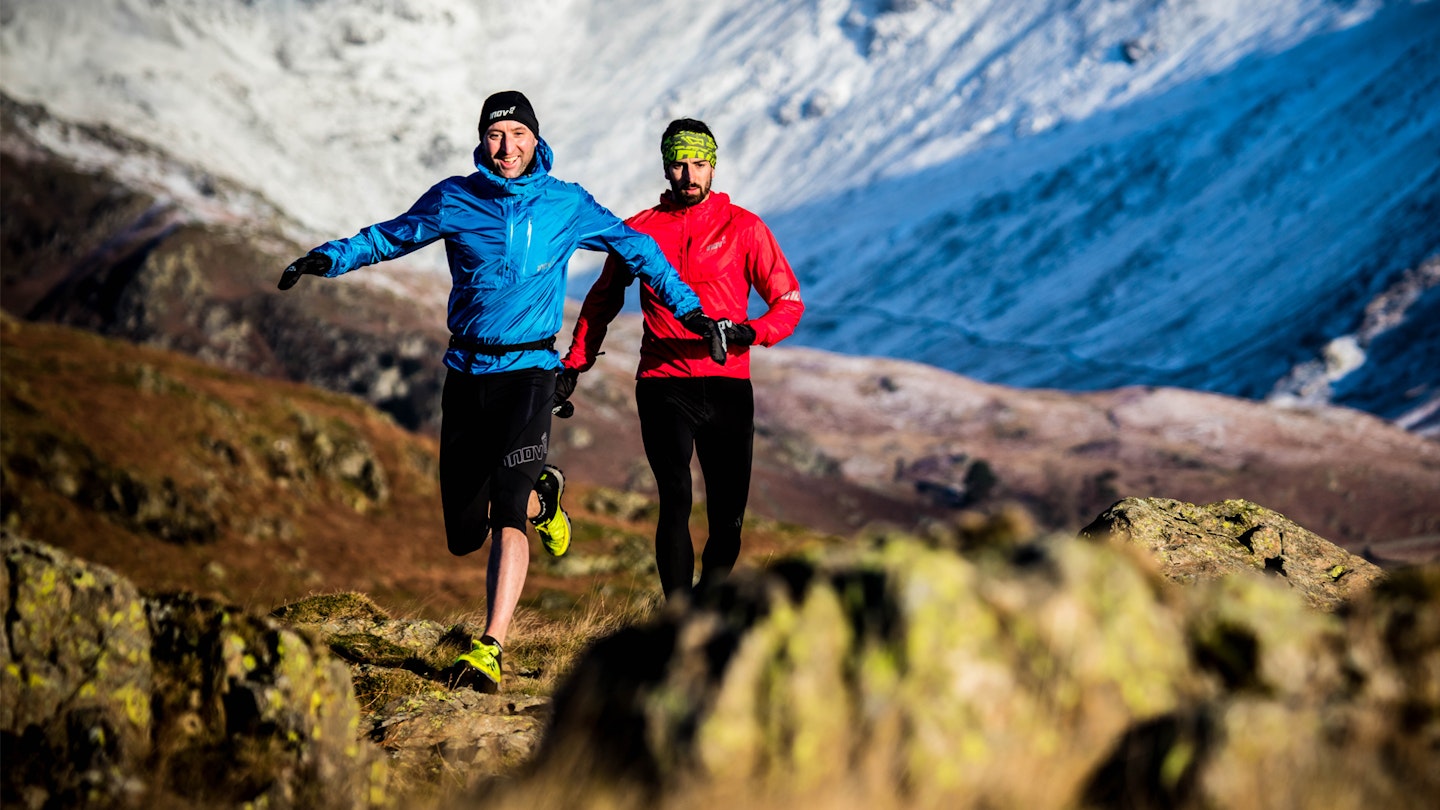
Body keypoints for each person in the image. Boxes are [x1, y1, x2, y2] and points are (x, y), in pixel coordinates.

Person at [277, 92, 721, 687]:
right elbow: (390, 236)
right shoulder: (455, 198)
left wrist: (690, 311)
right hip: (466, 374)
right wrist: (326, 259)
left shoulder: (566, 203)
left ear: (536, 139)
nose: (507, 147)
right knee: (465, 531)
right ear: (482, 141)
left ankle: (491, 647)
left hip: (531, 374)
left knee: (507, 508)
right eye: (496, 135)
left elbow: (638, 249)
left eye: (518, 134)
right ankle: (546, 496)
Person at [559, 118, 804, 601]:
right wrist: (575, 363)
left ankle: (709, 603)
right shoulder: (640, 230)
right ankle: (677, 615)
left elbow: (789, 302)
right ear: (666, 168)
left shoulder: (745, 228)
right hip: (663, 381)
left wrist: (752, 332)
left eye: (698, 163)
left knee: (727, 515)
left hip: (728, 382)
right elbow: (602, 298)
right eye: (679, 164)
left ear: (713, 166)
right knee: (674, 499)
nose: (689, 175)